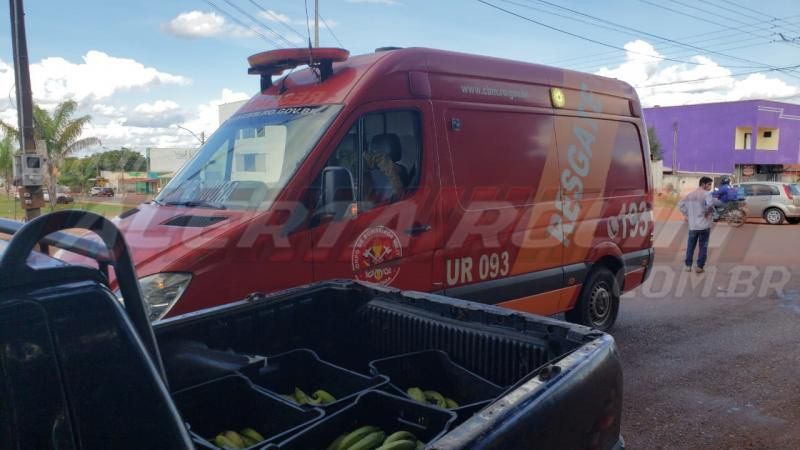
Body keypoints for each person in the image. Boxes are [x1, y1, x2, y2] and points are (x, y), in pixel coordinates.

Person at [679, 177, 715, 273]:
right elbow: (710, 205)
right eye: (709, 184)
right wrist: (707, 212)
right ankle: (699, 267)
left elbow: (681, 205)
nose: (710, 187)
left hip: (693, 226)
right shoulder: (707, 194)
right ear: (703, 184)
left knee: (690, 246)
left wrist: (687, 214)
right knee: (703, 246)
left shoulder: (690, 195)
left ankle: (688, 266)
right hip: (704, 225)